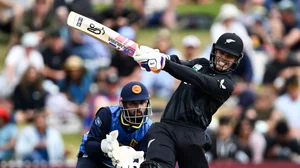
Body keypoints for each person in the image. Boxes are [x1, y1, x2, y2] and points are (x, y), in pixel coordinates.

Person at [134, 32, 244, 168]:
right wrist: (158, 57)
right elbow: (179, 64)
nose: (224, 58)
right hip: (166, 127)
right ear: (215, 50)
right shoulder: (201, 63)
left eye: (230, 56)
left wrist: (164, 63)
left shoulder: (226, 84)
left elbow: (196, 78)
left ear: (236, 60)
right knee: (155, 166)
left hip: (193, 136)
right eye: (222, 53)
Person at [76, 81, 153, 168]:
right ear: (122, 103)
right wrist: (103, 146)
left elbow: (142, 154)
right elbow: (89, 145)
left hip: (122, 164)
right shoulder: (107, 115)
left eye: (142, 103)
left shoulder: (149, 128)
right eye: (132, 103)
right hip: (96, 158)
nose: (139, 108)